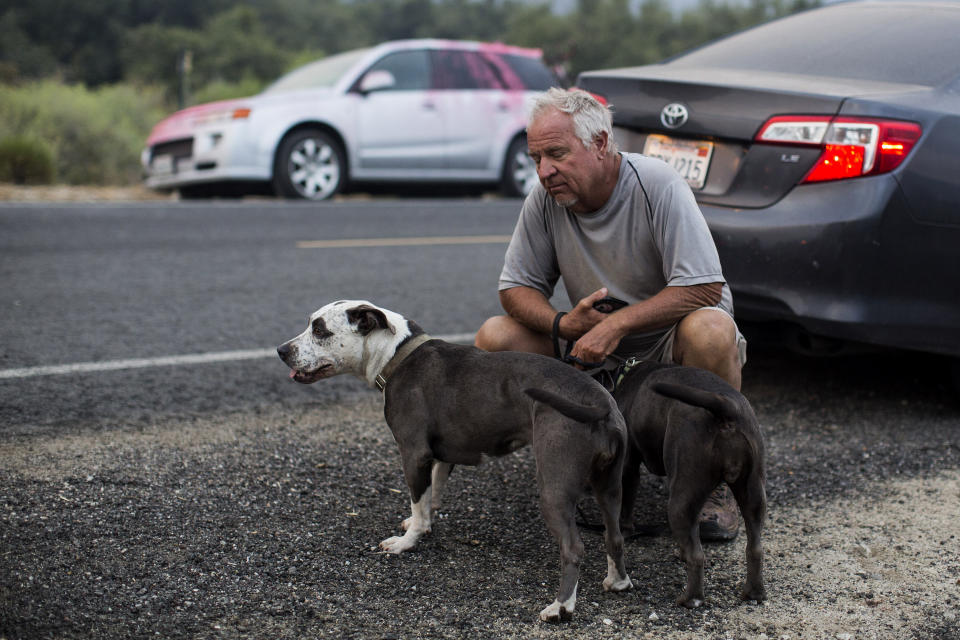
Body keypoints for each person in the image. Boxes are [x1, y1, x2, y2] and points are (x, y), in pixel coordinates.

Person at [474, 87, 747, 541]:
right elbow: (515, 289)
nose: (544, 171)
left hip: (664, 345)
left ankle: (715, 478)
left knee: (713, 331)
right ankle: (584, 463)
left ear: (600, 143)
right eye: (536, 157)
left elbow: (704, 286)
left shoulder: (656, 183)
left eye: (557, 154)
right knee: (495, 337)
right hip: (591, 349)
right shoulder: (545, 197)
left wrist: (617, 324)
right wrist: (564, 325)